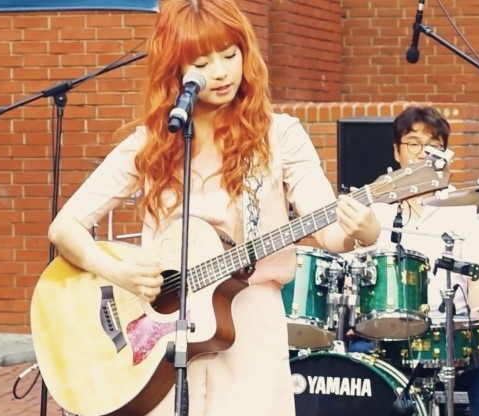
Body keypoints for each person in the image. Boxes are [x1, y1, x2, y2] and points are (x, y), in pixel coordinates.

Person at [47, 0, 381, 414]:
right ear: (176, 70)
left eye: (229, 55)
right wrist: (121, 273)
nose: (221, 72)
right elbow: (65, 227)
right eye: (202, 63)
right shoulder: (151, 143)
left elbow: (330, 229)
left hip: (251, 331)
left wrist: (362, 231)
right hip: (161, 338)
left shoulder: (280, 136)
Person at [347, 105, 479, 416]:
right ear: (397, 151)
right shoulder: (376, 209)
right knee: (355, 363)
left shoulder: (463, 207)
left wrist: (478, 312)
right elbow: (357, 273)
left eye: (433, 145)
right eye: (413, 143)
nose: (423, 153)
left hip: (451, 329)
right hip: (387, 332)